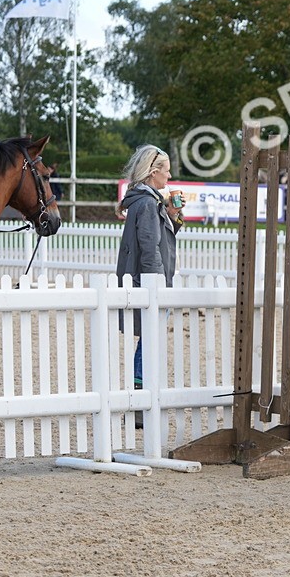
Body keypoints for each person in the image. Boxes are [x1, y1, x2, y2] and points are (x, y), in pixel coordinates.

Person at [116, 145, 183, 402]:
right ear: (154, 172)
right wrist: (158, 286)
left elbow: (160, 239)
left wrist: (172, 216)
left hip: (149, 279)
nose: (169, 176)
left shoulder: (147, 200)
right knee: (149, 341)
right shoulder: (147, 203)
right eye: (166, 171)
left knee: (148, 340)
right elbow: (149, 247)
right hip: (150, 281)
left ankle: (141, 394)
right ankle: (141, 397)